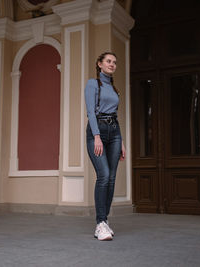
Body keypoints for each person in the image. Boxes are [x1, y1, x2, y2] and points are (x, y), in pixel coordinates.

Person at [85, 52, 126, 241]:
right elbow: (91, 113)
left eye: (114, 62)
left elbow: (115, 115)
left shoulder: (113, 87)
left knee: (111, 179)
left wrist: (121, 142)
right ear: (99, 64)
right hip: (98, 131)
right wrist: (97, 136)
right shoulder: (93, 84)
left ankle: (104, 221)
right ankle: (100, 223)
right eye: (109, 61)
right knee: (104, 176)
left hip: (114, 132)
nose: (112, 64)